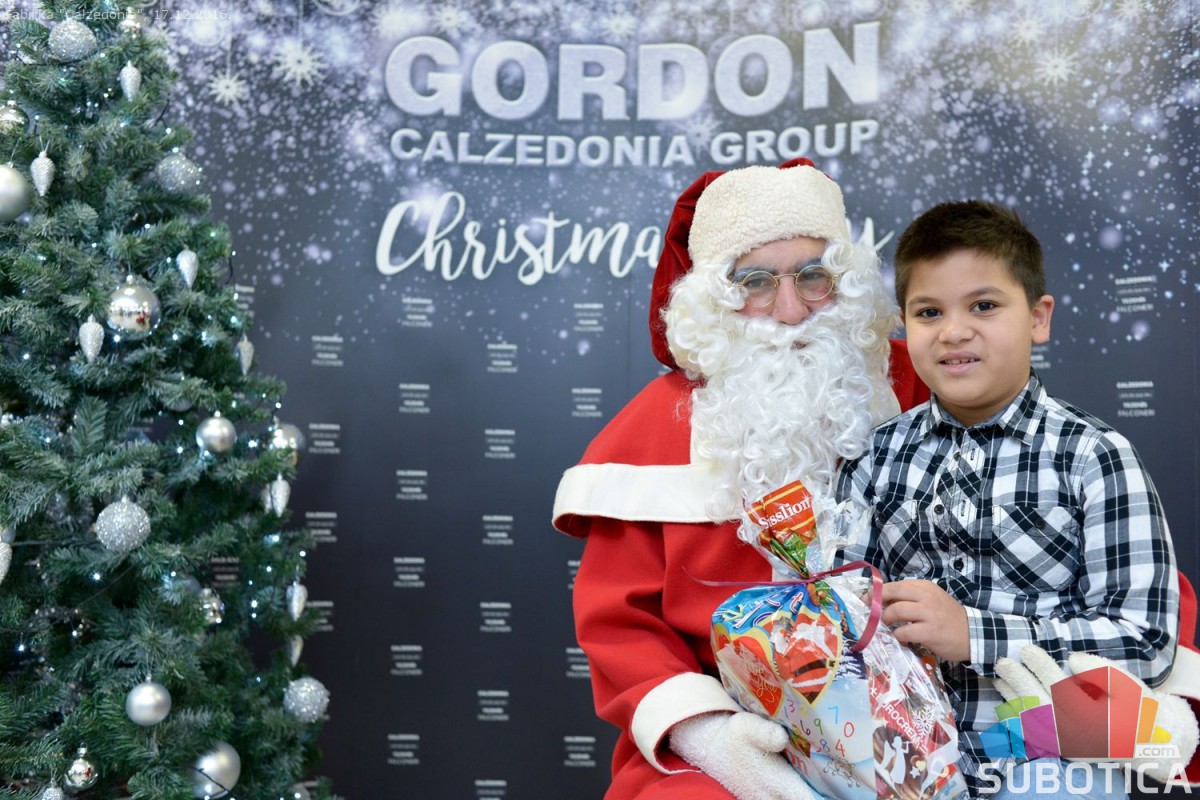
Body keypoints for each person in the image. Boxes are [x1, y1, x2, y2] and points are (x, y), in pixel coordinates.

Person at [552, 158, 929, 799]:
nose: (790, 310)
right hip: (727, 727)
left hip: (914, 709)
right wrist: (713, 739)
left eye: (814, 277)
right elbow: (619, 623)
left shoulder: (916, 383)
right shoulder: (654, 427)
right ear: (713, 299)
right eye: (755, 282)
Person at [833, 200, 1193, 798]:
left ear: (1038, 318)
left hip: (1052, 753)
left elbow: (1145, 641)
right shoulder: (873, 456)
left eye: (984, 305)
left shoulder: (1094, 456)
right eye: (929, 312)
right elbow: (841, 611)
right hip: (905, 756)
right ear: (904, 325)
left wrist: (975, 634)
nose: (953, 331)